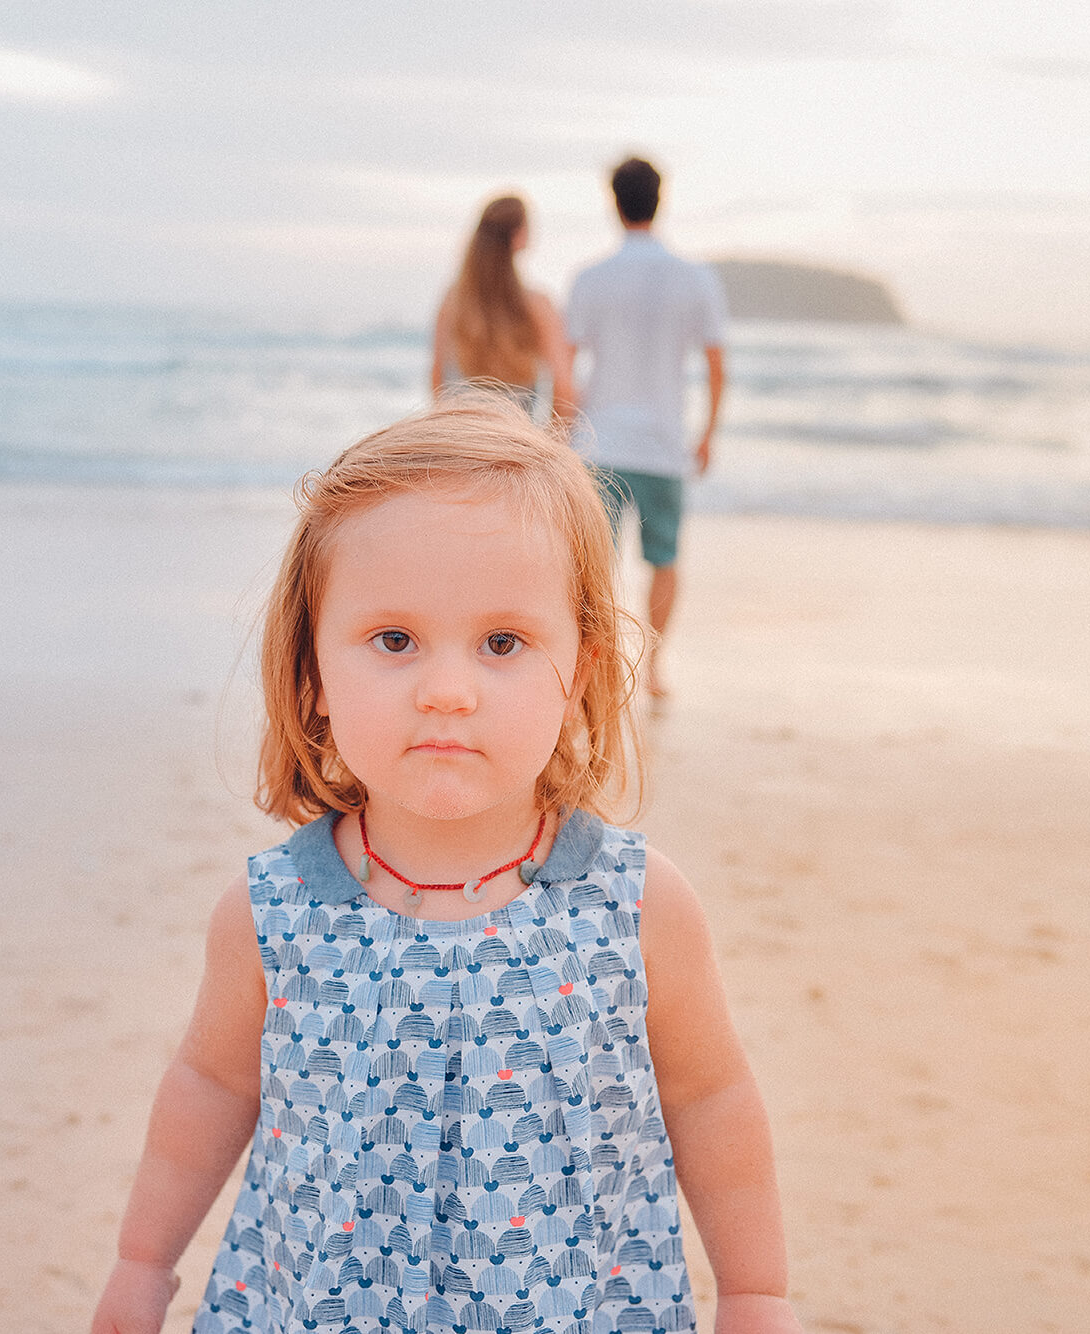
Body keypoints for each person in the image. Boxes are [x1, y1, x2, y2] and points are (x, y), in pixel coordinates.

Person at [91, 396, 800, 1334]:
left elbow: (710, 1098)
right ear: (312, 668)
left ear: (579, 668)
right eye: (394, 641)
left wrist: (756, 1293)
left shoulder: (633, 906)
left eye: (503, 643)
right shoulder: (275, 911)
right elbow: (213, 1086)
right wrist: (143, 1264)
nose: (449, 691)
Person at [565, 157, 728, 698]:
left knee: (594, 568)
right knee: (664, 559)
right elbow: (715, 363)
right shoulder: (694, 277)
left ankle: (601, 671)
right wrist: (708, 433)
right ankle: (653, 670)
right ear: (661, 199)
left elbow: (565, 365)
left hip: (598, 443)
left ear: (614, 202)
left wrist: (557, 430)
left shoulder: (590, 277)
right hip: (662, 444)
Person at [432, 195, 576, 423]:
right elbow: (564, 389)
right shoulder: (537, 305)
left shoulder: (455, 300)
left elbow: (437, 381)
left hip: (462, 445)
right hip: (514, 449)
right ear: (518, 236)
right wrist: (550, 446)